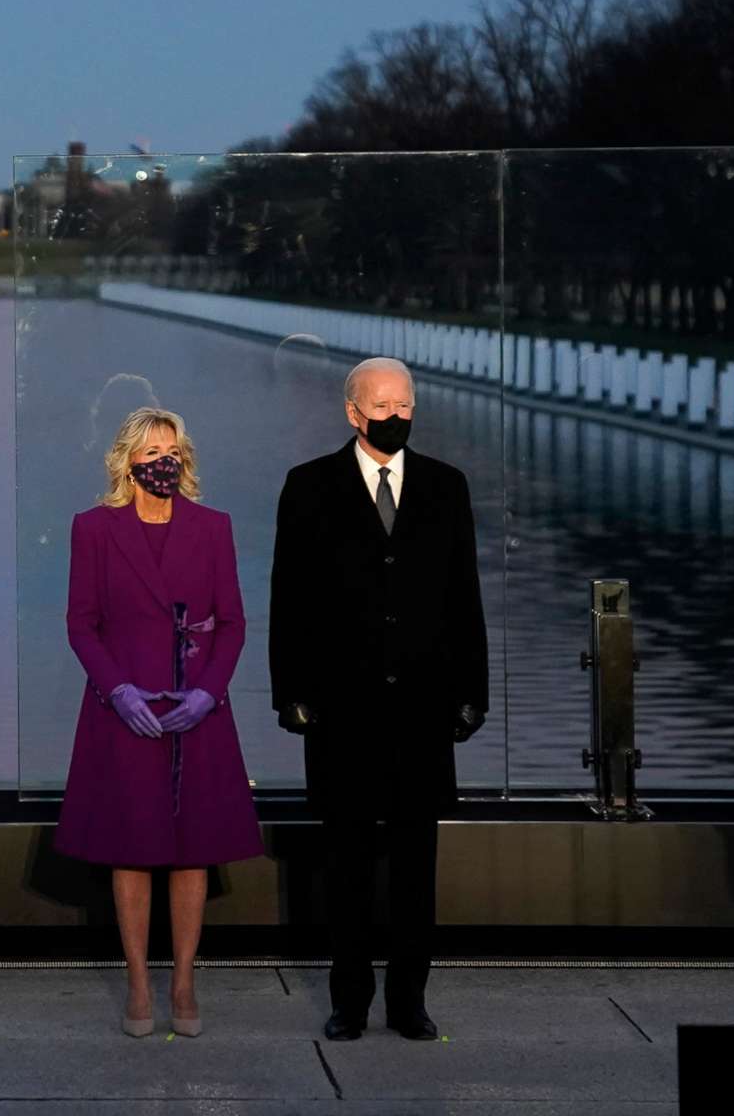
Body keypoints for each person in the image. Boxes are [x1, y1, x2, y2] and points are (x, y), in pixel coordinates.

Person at [269, 356, 487, 1043]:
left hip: (423, 710)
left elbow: (465, 599)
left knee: (416, 870)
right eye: (381, 406)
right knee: (349, 868)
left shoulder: (446, 487)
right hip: (342, 712)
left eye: (404, 405)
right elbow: (289, 601)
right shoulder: (308, 487)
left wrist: (471, 693)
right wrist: (292, 693)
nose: (394, 416)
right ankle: (350, 1001)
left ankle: (409, 1002)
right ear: (352, 412)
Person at [56, 407, 264, 1038]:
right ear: (127, 461)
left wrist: (208, 693)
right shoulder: (93, 529)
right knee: (131, 848)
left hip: (196, 711)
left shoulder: (213, 527)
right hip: (127, 714)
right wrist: (117, 690)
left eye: (171, 450)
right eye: (150, 451)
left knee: (193, 851)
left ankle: (185, 982)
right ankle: (140, 986)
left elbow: (232, 622)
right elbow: (80, 623)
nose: (162, 462)